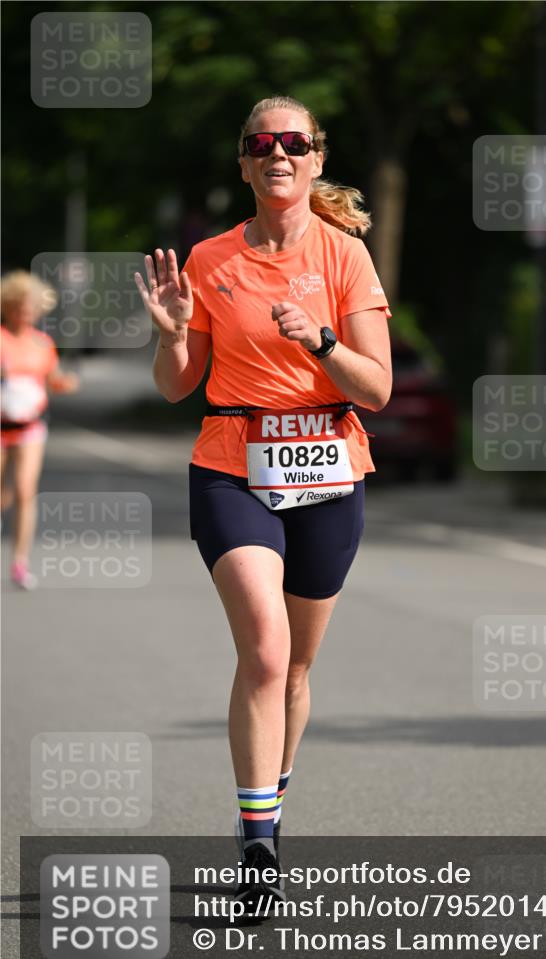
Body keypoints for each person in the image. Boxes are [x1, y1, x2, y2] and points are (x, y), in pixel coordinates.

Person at [136, 95, 392, 911]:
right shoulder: (209, 260)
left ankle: (269, 799)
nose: (277, 152)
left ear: (315, 158)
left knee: (298, 667)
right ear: (244, 163)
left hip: (327, 468)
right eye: (261, 142)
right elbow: (179, 385)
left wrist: (317, 339)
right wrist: (174, 334)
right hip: (232, 467)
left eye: (294, 141)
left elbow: (378, 388)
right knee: (267, 650)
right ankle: (256, 845)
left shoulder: (346, 255)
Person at [1, 271, 79, 589]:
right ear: (8, 307)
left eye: (31, 307)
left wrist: (65, 384)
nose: (26, 312)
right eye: (20, 306)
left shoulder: (42, 343)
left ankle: (19, 562)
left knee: (24, 490)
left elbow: (54, 379)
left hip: (30, 427)